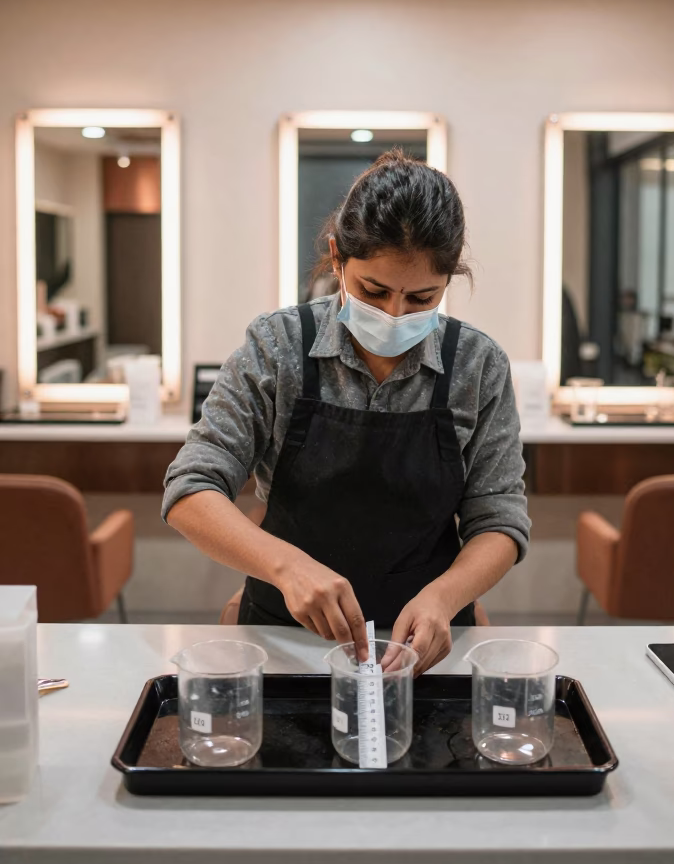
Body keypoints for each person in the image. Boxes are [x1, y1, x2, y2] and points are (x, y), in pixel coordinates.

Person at [163, 151, 530, 673]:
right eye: (372, 291)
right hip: (287, 638)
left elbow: (501, 520)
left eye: (422, 297)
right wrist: (286, 567)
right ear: (337, 257)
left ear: (449, 279)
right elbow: (189, 490)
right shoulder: (277, 347)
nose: (394, 314)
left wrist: (445, 598)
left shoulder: (478, 365)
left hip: (424, 647)